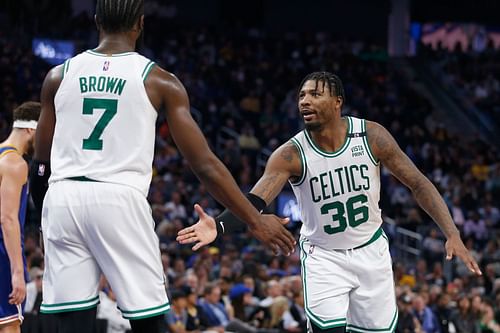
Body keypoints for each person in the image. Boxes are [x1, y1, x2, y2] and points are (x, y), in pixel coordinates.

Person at [29, 1, 295, 333]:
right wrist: (254, 221)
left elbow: (40, 164)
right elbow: (205, 165)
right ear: (140, 25)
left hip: (63, 196)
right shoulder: (158, 80)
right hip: (117, 198)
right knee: (149, 317)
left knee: (68, 318)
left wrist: (44, 218)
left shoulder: (57, 75)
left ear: (96, 20)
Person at [177, 71, 482, 333]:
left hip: (371, 252)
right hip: (324, 257)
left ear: (338, 102)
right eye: (301, 96)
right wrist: (218, 226)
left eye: (315, 94)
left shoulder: (371, 136)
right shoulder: (290, 154)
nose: (305, 101)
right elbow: (256, 198)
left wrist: (452, 233)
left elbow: (418, 182)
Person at [0, 102, 40, 333]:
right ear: (31, 130)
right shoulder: (15, 163)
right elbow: (7, 219)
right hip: (3, 255)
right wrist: (17, 270)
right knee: (10, 326)